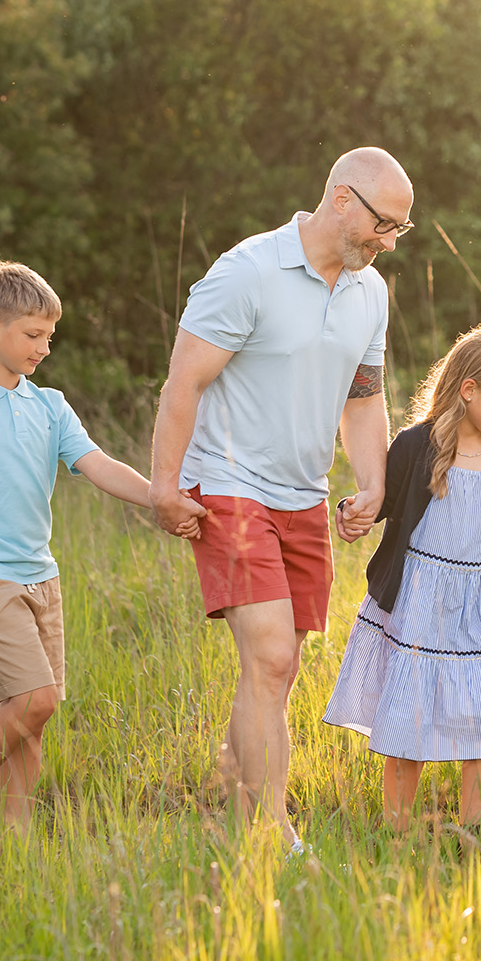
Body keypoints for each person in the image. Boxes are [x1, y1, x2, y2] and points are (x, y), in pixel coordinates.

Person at [147, 148, 411, 853]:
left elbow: (364, 398)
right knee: (266, 657)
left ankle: (233, 813)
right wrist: (164, 486)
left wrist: (374, 481)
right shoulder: (248, 272)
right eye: (384, 225)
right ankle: (271, 830)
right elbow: (182, 384)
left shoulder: (369, 293)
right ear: (341, 198)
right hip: (229, 485)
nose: (388, 243)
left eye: (399, 232)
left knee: (280, 668)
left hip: (303, 493)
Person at [0, 258, 157, 843]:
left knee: (31, 721)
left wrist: (158, 499)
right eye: (33, 335)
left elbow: (98, 466)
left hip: (41, 578)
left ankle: (14, 848)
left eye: (49, 337)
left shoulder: (49, 406)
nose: (44, 348)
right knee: (35, 701)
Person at [322, 322, 481, 827]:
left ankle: (473, 831)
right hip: (415, 602)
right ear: (469, 390)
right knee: (409, 725)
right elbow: (383, 504)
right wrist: (354, 510)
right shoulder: (417, 444)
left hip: (471, 605)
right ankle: (396, 830)